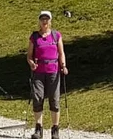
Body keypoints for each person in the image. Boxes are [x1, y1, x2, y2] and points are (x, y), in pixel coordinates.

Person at [27, 11, 69, 139]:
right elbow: (29, 56)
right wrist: (31, 63)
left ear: (50, 21)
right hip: (38, 72)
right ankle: (38, 129)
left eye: (47, 19)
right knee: (38, 98)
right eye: (42, 19)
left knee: (54, 100)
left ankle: (55, 129)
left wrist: (63, 66)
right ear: (39, 21)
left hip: (53, 71)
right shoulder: (34, 37)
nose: (44, 21)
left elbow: (61, 53)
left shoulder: (56, 36)